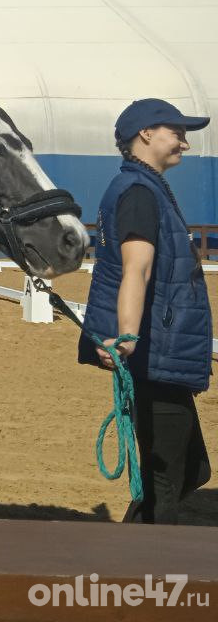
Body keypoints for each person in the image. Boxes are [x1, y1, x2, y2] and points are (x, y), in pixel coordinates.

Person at [79, 99, 212, 524]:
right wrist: (128, 336)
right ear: (146, 134)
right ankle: (139, 577)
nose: (185, 144)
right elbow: (136, 269)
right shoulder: (138, 192)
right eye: (178, 133)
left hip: (164, 350)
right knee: (164, 483)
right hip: (153, 352)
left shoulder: (146, 187)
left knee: (191, 469)